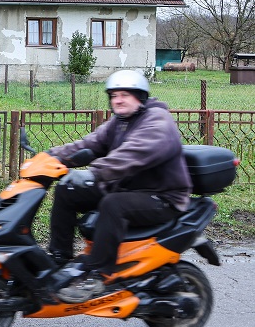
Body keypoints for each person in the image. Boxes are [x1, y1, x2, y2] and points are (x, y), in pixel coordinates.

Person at [45, 69, 192, 303]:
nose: (118, 100)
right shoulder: (120, 121)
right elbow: (90, 143)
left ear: (141, 97)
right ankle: (59, 259)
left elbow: (131, 155)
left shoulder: (157, 122)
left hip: (162, 196)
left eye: (125, 94)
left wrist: (93, 172)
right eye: (114, 95)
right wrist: (50, 157)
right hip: (128, 187)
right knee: (67, 188)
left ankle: (99, 275)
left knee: (113, 204)